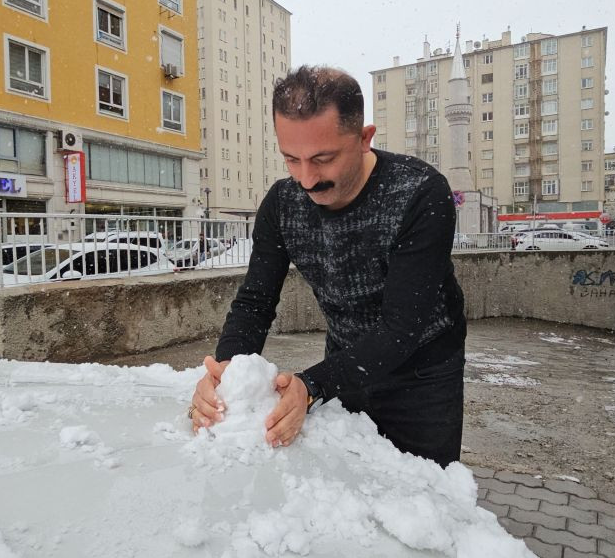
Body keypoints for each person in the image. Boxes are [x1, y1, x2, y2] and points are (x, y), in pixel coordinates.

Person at [188, 65, 467, 467]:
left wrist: (311, 385)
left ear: (365, 138)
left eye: (323, 158)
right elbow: (254, 301)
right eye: (291, 159)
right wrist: (228, 373)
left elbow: (402, 327)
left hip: (422, 376)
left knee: (425, 501)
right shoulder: (282, 203)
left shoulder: (420, 194)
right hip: (345, 364)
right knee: (346, 491)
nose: (306, 178)